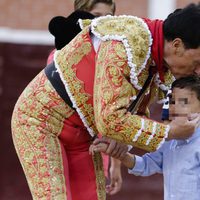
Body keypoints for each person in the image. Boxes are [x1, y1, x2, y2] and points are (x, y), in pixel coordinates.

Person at [11, 2, 200, 200]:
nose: (197, 71)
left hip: (84, 134)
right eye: (196, 62)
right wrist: (169, 132)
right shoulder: (128, 41)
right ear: (177, 45)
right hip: (40, 121)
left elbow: (135, 110)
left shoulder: (158, 63)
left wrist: (121, 142)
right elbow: (110, 120)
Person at [90, 74, 200, 200]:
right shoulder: (169, 142)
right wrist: (121, 155)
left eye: (183, 102)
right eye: (171, 101)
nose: (173, 107)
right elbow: (147, 164)